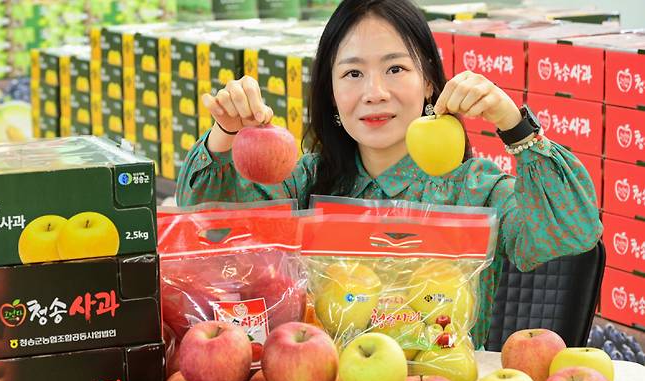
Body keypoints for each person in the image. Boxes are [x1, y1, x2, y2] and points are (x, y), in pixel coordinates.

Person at [176, 0, 603, 348]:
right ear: (331, 92)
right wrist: (226, 132)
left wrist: (514, 125)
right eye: (353, 73)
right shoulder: (303, 183)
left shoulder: (478, 191)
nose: (374, 92)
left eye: (396, 69)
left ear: (430, 83)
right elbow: (206, 222)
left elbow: (573, 231)